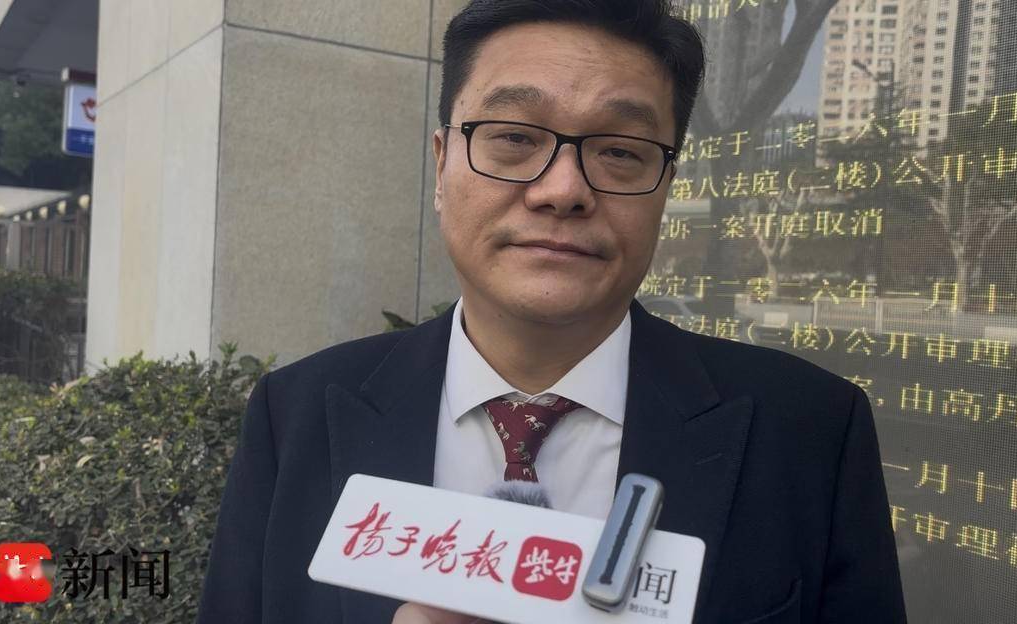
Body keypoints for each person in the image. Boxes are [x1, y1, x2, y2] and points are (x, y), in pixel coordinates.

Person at [196, 1, 907, 622]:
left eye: (620, 150)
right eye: (514, 137)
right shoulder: (294, 416)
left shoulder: (811, 431)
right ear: (442, 165)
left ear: (665, 187)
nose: (563, 189)